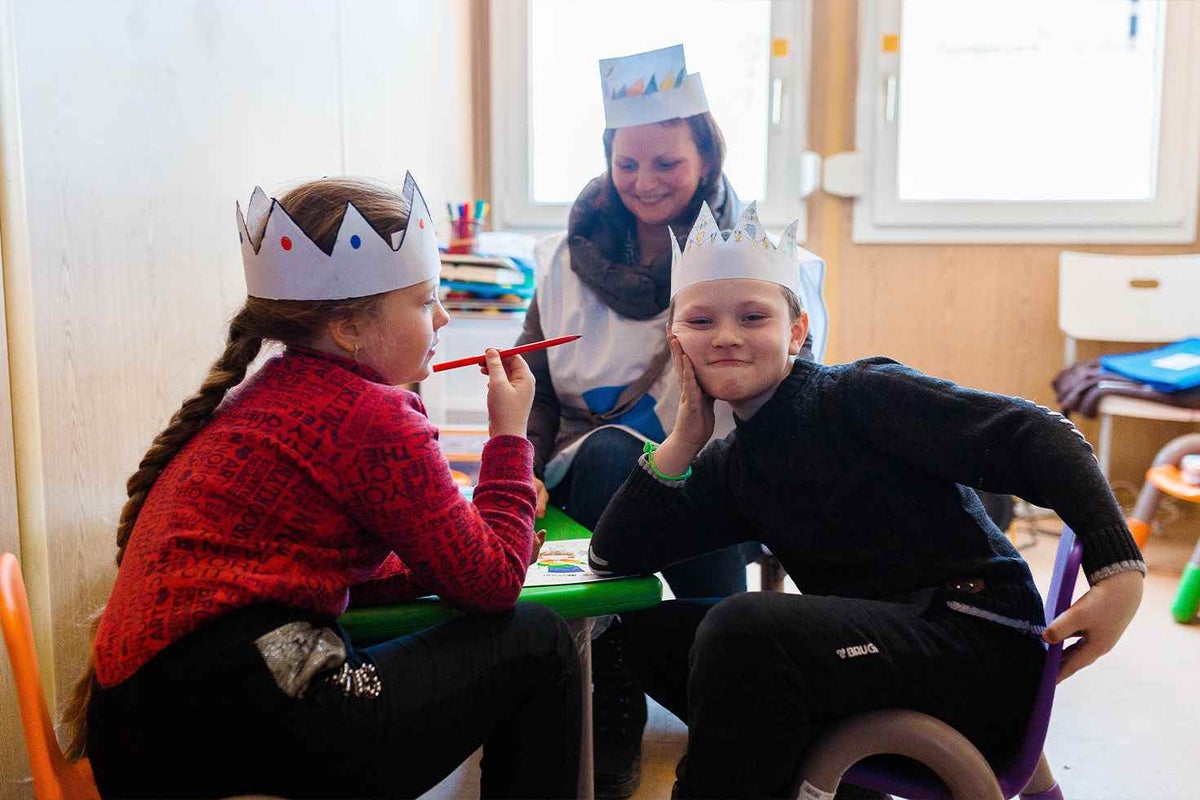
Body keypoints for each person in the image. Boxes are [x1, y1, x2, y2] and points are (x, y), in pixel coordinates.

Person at [588, 201, 1145, 799]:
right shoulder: (736, 460)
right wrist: (683, 439)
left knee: (744, 628)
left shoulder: (855, 394)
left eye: (753, 317)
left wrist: (1121, 572)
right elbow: (615, 556)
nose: (726, 338)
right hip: (880, 656)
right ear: (675, 340)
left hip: (976, 647)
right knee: (641, 632)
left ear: (796, 331)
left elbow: (1040, 433)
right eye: (699, 323)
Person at [63, 175, 581, 799]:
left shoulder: (273, 390)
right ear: (349, 329)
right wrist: (509, 433)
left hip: (148, 733)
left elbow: (317, 569)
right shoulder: (372, 416)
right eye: (425, 301)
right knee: (542, 639)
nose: (443, 317)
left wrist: (444, 560)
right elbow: (495, 585)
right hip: (237, 710)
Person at [516, 44, 779, 796]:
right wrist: (523, 475)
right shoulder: (563, 257)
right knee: (614, 461)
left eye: (666, 163)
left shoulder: (745, 253)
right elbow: (534, 385)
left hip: (721, 470)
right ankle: (618, 698)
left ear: (706, 159)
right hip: (588, 464)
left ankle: (722, 678)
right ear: (608, 159)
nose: (644, 182)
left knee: (691, 488)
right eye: (628, 164)